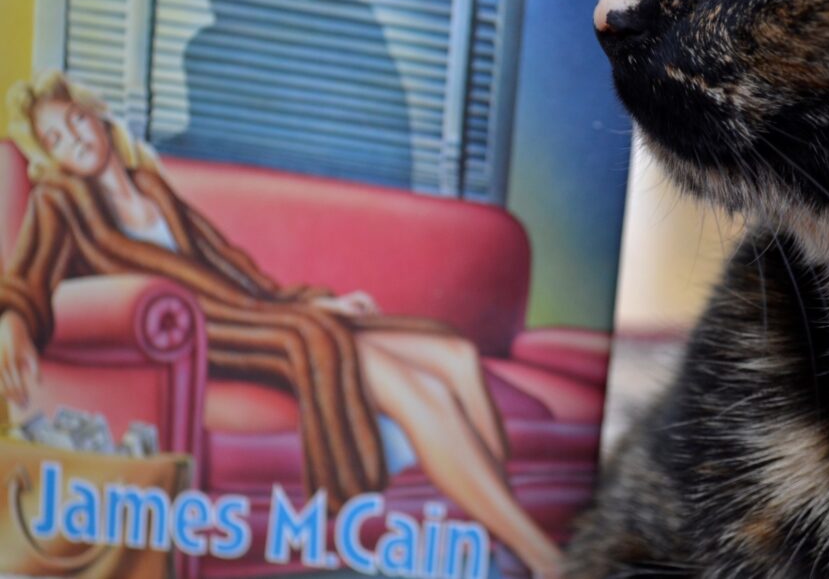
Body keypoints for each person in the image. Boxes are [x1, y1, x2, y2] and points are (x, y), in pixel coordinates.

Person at [0, 71, 561, 578]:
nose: (73, 138)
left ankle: (498, 535)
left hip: (256, 313)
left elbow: (231, 266)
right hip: (218, 336)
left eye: (75, 119)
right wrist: (13, 321)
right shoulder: (60, 202)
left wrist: (313, 301)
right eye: (54, 138)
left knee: (458, 358)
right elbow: (28, 277)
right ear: (50, 156)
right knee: (414, 385)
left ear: (96, 116)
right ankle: (540, 553)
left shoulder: (150, 184)